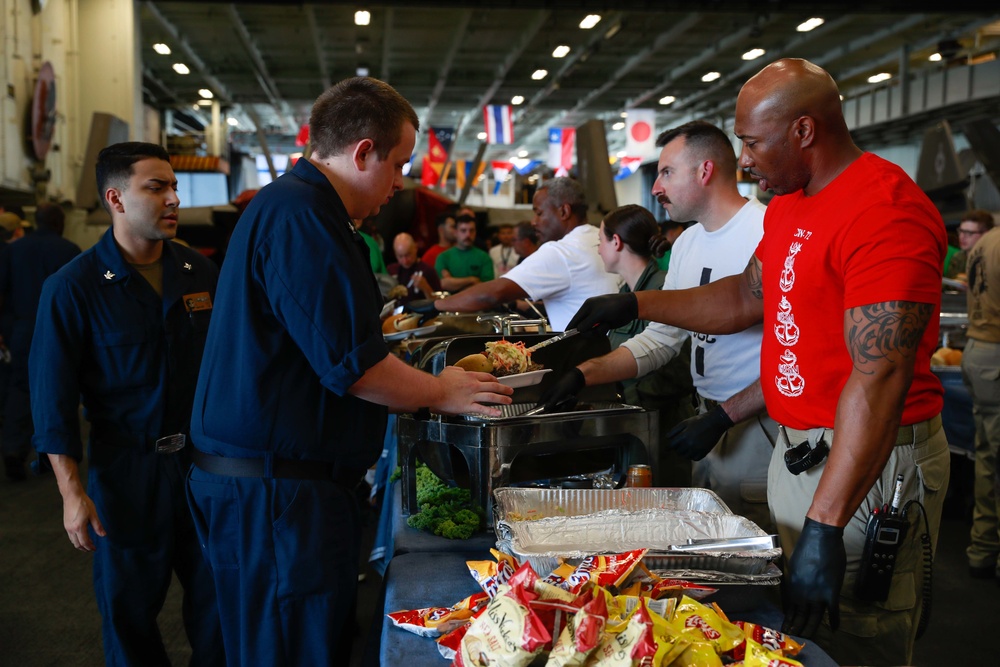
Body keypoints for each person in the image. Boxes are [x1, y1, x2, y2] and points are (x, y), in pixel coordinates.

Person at [565, 59, 949, 667]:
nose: (743, 160)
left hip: (867, 461)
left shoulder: (885, 211)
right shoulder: (794, 204)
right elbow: (747, 297)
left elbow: (880, 379)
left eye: (751, 141)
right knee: (791, 632)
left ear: (804, 131)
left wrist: (826, 523)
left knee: (855, 633)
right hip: (798, 448)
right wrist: (635, 301)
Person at [185, 77, 512, 665]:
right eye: (397, 165)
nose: (398, 185)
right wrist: (441, 391)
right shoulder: (301, 216)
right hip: (275, 491)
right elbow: (354, 369)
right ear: (362, 152)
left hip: (281, 485)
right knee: (289, 649)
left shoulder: (303, 210)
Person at [29, 142, 225, 665]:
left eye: (174, 187)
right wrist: (72, 492)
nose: (173, 199)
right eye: (156, 187)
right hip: (126, 475)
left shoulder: (199, 273)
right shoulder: (73, 288)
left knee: (219, 606)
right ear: (116, 198)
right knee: (129, 614)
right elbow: (51, 398)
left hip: (204, 469)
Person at [540, 121, 774, 521]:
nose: (655, 187)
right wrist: (584, 375)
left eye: (666, 172)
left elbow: (794, 355)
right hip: (704, 423)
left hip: (757, 429)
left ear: (704, 171)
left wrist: (725, 416)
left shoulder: (766, 231)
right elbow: (662, 340)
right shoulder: (687, 243)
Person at [413, 177, 621, 332]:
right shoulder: (598, 238)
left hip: (587, 360)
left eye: (539, 213)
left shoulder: (562, 252)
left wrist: (435, 305)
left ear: (564, 212)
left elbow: (491, 293)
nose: (533, 222)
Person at [594, 204, 697, 487]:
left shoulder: (664, 288)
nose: (599, 249)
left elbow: (678, 369)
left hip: (665, 432)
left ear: (616, 242)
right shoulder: (624, 293)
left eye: (600, 241)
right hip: (636, 430)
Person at [0, 203, 80, 480]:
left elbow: (3, 291)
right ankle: (54, 454)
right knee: (60, 390)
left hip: (22, 328)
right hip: (61, 329)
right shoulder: (70, 251)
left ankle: (13, 450)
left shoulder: (14, 250)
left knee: (20, 390)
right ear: (60, 223)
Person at [961, 225, 1000, 581]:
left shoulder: (986, 242)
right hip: (995, 351)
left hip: (978, 351)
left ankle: (983, 546)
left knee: (988, 455)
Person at [435, 213, 493, 292]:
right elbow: (443, 284)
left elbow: (486, 288)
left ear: (475, 232)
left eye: (471, 230)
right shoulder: (443, 257)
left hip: (476, 302)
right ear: (455, 232)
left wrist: (453, 282)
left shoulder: (484, 257)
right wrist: (472, 279)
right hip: (450, 303)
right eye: (463, 230)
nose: (468, 235)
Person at [387, 232, 441, 303]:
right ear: (395, 254)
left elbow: (439, 302)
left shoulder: (428, 271)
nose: (405, 261)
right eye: (400, 256)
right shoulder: (391, 270)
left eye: (408, 255)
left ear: (415, 248)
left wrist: (426, 288)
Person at [945, 209, 994, 281]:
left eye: (968, 233)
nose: (962, 236)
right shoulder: (958, 258)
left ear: (985, 234)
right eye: (961, 231)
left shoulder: (993, 258)